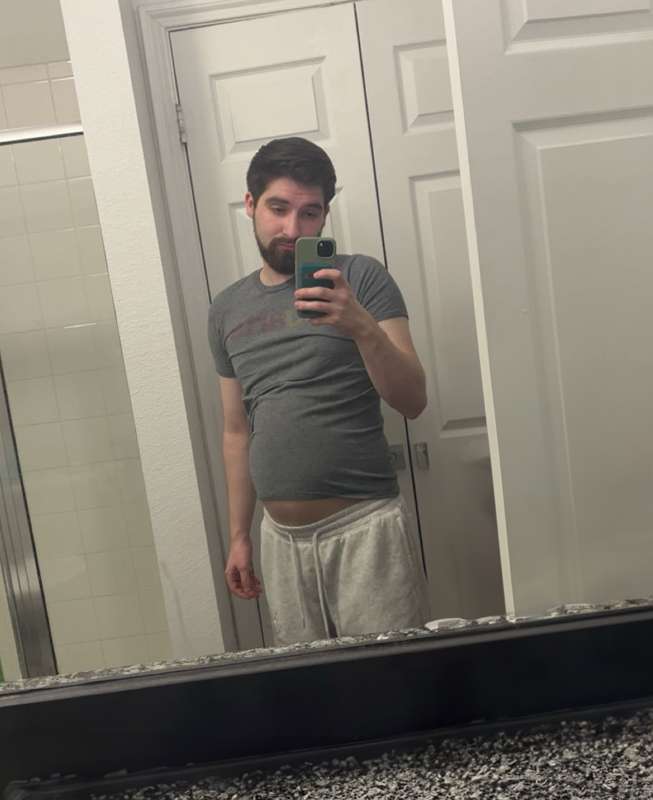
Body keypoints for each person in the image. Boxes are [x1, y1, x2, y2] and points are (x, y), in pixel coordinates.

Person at [208, 136, 430, 645]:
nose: (292, 229)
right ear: (250, 204)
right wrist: (239, 535)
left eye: (309, 213)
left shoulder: (360, 279)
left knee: (391, 677)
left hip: (365, 528)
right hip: (279, 541)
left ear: (325, 216)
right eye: (278, 208)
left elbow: (413, 401)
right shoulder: (226, 309)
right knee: (310, 683)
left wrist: (360, 325)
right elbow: (236, 430)